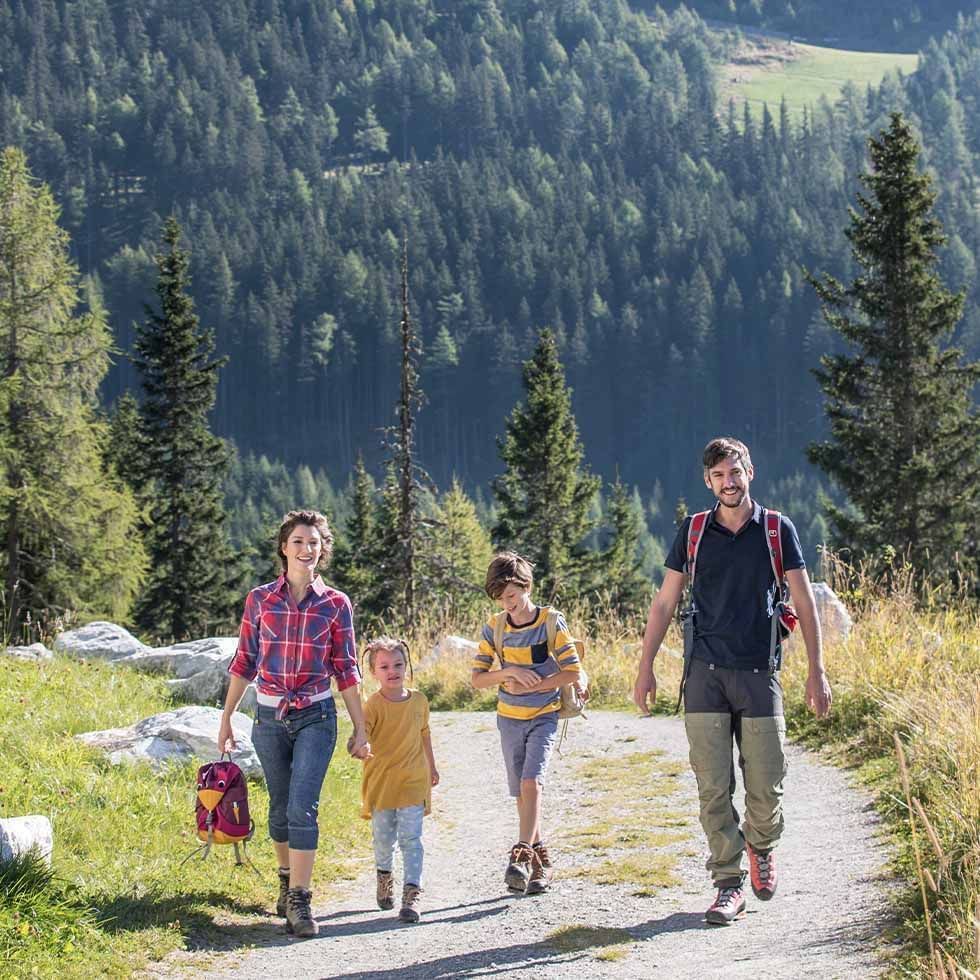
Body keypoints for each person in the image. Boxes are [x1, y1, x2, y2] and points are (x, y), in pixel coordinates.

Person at [633, 437, 832, 925]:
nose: (729, 481)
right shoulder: (694, 532)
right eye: (719, 475)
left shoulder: (776, 529)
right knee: (713, 789)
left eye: (735, 472)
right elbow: (664, 604)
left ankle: (760, 847)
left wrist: (816, 671)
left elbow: (804, 604)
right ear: (708, 481)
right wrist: (645, 668)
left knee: (766, 784)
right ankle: (727, 884)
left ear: (750, 473)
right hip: (704, 673)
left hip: (760, 673)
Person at [218, 509, 370, 939]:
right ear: (284, 548)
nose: (307, 549)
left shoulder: (336, 603)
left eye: (315, 543)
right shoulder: (259, 599)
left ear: (323, 551)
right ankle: (286, 878)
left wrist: (361, 728)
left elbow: (346, 669)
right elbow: (244, 660)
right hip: (267, 717)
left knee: (303, 805)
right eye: (299, 542)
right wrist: (227, 718)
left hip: (316, 716)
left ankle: (301, 899)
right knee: (280, 809)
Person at [471, 552, 584, 895]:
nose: (507, 604)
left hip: (543, 716)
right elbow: (478, 679)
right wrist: (509, 673)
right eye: (500, 598)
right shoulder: (495, 626)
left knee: (532, 783)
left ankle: (519, 855)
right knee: (522, 794)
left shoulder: (550, 621)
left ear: (526, 586)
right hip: (509, 719)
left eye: (512, 596)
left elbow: (572, 669)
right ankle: (541, 863)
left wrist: (536, 682)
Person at [359, 637, 439, 924]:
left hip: (414, 779)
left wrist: (432, 765)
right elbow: (362, 734)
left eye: (398, 664)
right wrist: (357, 746)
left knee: (411, 838)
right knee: (383, 839)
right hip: (383, 781)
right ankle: (384, 876)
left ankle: (412, 893)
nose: (392, 671)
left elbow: (424, 732)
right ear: (374, 672)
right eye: (384, 666)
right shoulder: (373, 705)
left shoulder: (419, 700)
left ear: (406, 666)